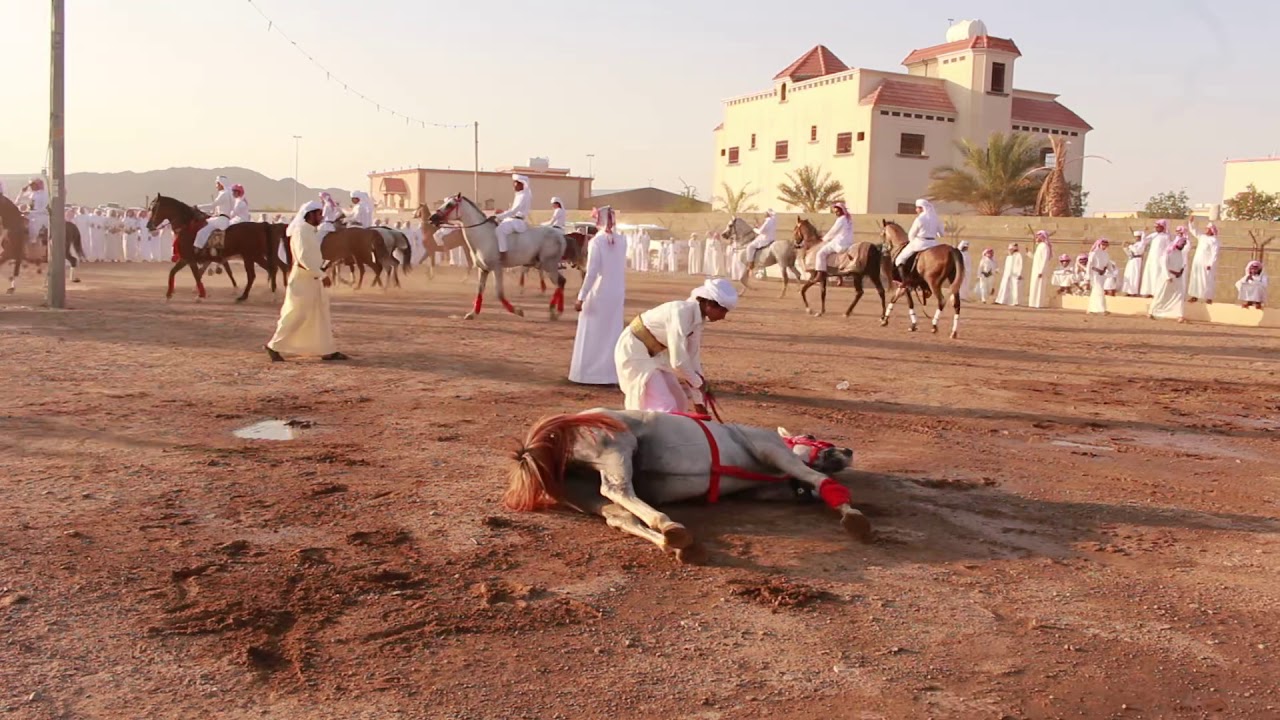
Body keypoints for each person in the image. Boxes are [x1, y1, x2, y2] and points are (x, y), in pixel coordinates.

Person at [614, 278, 737, 414]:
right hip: (634, 351)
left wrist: (699, 402)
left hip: (656, 356)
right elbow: (678, 361)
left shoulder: (698, 322)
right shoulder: (681, 312)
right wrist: (698, 384)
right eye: (723, 311)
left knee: (679, 401)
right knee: (665, 406)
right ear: (709, 304)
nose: (723, 317)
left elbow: (692, 360)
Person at [265, 200, 348, 362]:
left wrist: (323, 266)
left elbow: (311, 256)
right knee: (297, 314)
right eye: (318, 213)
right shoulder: (302, 231)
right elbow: (303, 258)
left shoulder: (309, 231)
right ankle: (273, 346)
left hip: (312, 278)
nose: (321, 216)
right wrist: (321, 274)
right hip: (304, 279)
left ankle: (327, 350)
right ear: (310, 215)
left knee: (320, 314)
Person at [570, 206, 628, 385]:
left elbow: (592, 272)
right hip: (617, 292)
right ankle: (610, 374)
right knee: (612, 333)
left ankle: (586, 374)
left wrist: (581, 296)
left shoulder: (597, 242)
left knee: (591, 332)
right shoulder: (623, 240)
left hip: (600, 292)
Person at [1149, 232, 1188, 322]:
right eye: (1182, 243)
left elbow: (1181, 264)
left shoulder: (1180, 253)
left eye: (1184, 244)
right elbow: (1163, 264)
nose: (1183, 245)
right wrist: (1167, 276)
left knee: (1179, 296)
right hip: (1168, 277)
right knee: (1161, 294)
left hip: (1178, 277)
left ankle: (1179, 315)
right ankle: (1152, 311)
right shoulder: (1169, 252)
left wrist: (1181, 272)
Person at [494, 174, 532, 264]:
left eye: (515, 183)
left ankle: (503, 254)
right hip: (514, 219)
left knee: (499, 230)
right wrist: (502, 213)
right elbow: (512, 211)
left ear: (521, 184)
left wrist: (498, 216)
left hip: (518, 222)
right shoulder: (519, 195)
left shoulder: (523, 196)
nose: (513, 185)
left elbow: (514, 211)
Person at [815, 202, 855, 277]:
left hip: (839, 243)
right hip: (848, 243)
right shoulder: (848, 219)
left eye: (837, 211)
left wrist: (824, 239)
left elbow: (833, 231)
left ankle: (820, 273)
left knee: (820, 253)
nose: (836, 213)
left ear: (842, 211)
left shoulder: (841, 219)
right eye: (835, 212)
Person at [1187, 220, 1220, 304]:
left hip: (1207, 264)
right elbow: (1194, 230)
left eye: (1208, 229)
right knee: (1196, 279)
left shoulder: (1214, 240)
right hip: (1198, 262)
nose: (1206, 230)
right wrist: (1191, 223)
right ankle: (1194, 296)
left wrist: (1210, 264)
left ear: (1211, 230)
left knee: (1207, 280)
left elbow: (1214, 253)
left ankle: (1208, 298)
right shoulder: (1202, 237)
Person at [1139, 219, 1170, 297]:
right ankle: (1147, 291)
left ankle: (1155, 292)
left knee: (1157, 274)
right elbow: (1144, 242)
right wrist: (1144, 233)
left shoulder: (1166, 236)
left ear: (1163, 227)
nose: (1156, 228)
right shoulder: (1153, 235)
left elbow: (1168, 247)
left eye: (1158, 227)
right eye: (1156, 227)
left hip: (1159, 258)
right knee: (1149, 274)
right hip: (1151, 258)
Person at [16, 178, 50, 245]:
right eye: (30, 185)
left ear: (38, 185)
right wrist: (22, 192)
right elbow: (17, 202)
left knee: (34, 223)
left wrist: (30, 212)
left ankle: (33, 241)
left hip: (41, 216)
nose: (31, 187)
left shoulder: (45, 195)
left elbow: (44, 210)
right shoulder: (31, 194)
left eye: (33, 185)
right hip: (31, 214)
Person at [1027, 230, 1054, 308]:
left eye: (1038, 236)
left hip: (1040, 271)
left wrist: (1041, 271)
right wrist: (1029, 253)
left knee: (1039, 287)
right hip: (1036, 270)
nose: (1036, 238)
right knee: (1034, 286)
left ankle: (1038, 304)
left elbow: (1044, 260)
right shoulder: (1040, 246)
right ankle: (1033, 303)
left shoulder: (1044, 246)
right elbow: (1036, 258)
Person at [1085, 238, 1111, 315]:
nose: (1104, 246)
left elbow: (1108, 264)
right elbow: (1089, 265)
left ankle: (1092, 309)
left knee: (1097, 291)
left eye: (1106, 245)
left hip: (1102, 275)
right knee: (1099, 290)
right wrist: (1088, 276)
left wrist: (1111, 272)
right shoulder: (1094, 253)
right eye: (1103, 245)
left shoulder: (1106, 254)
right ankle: (1101, 309)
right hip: (1095, 274)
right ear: (1099, 244)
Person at [1122, 230, 1146, 296]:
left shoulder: (1141, 244)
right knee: (1129, 275)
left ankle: (1133, 292)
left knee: (1134, 275)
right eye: (1136, 237)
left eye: (1138, 237)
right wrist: (1125, 248)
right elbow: (1129, 253)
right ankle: (1128, 291)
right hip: (1131, 260)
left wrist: (1130, 245)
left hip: (1137, 261)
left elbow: (1137, 251)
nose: (1136, 238)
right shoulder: (1134, 244)